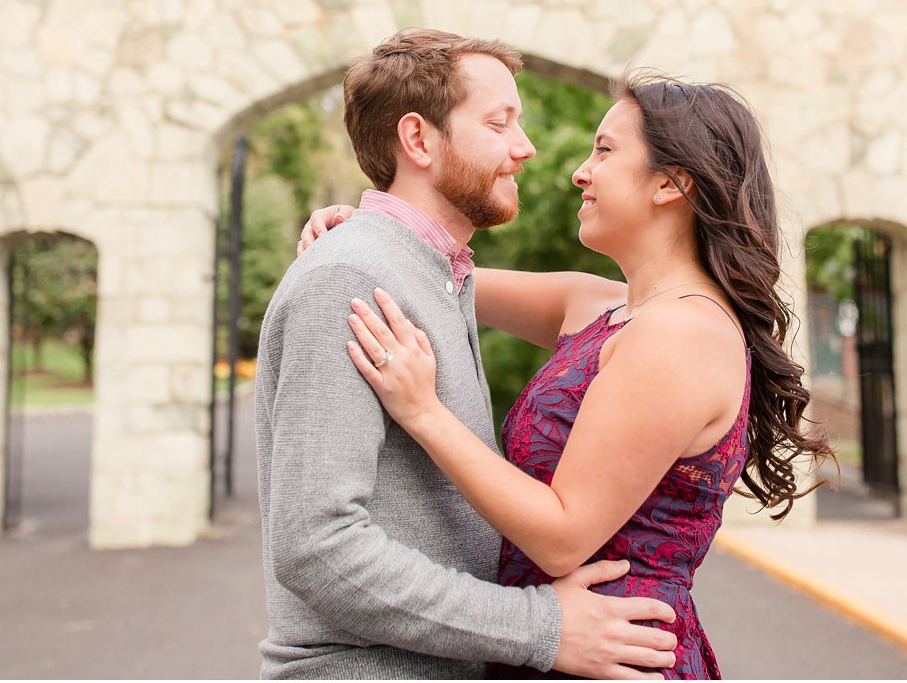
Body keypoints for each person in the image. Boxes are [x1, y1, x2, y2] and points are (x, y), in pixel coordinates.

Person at [304, 75, 832, 679]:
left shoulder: (680, 336)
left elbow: (561, 536)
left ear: (672, 182)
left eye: (605, 151)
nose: (580, 172)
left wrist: (424, 414)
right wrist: (370, 229)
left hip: (609, 658)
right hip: (552, 647)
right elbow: (434, 270)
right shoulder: (602, 307)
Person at [255, 29, 680, 680]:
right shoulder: (347, 277)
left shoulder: (431, 272)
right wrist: (540, 627)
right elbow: (315, 545)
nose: (525, 147)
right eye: (499, 122)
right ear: (419, 140)